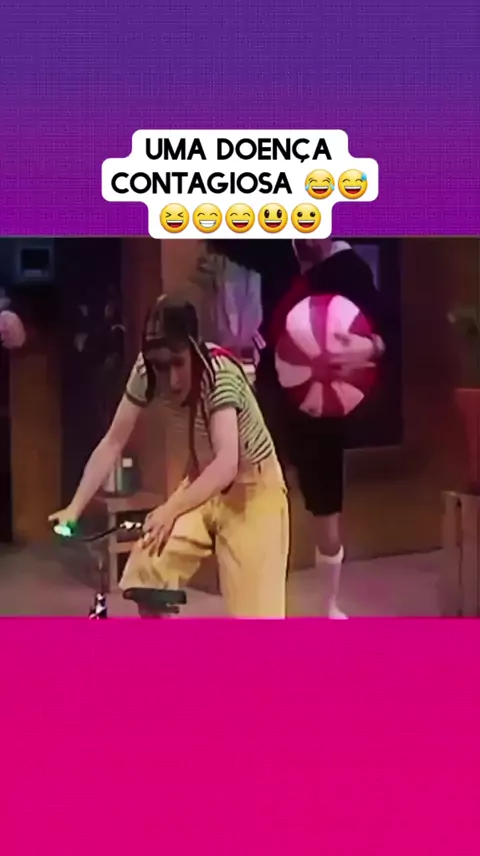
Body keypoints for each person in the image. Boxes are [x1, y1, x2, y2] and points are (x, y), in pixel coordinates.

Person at [49, 296, 289, 618]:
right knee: (147, 573)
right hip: (201, 485)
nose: (171, 379)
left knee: (257, 623)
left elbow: (226, 465)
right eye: (161, 366)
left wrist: (170, 509)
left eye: (178, 363)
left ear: (193, 349)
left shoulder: (219, 374)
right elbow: (113, 441)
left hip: (252, 491)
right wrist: (74, 508)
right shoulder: (146, 371)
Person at [258, 239, 385, 619]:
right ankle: (262, 604)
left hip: (324, 406)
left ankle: (328, 605)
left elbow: (388, 332)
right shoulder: (278, 258)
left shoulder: (351, 269)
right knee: (262, 497)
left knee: (326, 511)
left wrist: (371, 347)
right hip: (273, 395)